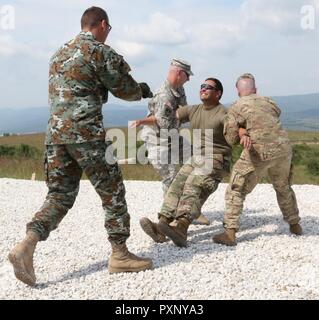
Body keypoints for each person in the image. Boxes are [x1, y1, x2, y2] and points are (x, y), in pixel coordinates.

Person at [8, 6, 153, 287]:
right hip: (86, 133)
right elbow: (125, 88)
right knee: (112, 191)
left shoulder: (58, 53)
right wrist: (144, 90)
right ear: (102, 24)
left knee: (59, 195)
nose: (108, 35)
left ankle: (27, 244)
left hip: (55, 135)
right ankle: (120, 254)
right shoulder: (98, 50)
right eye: (108, 30)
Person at [140, 78, 232, 247]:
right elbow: (167, 114)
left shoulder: (224, 113)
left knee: (193, 184)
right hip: (197, 157)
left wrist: (243, 132)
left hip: (216, 158)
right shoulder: (194, 110)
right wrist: (152, 109)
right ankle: (162, 225)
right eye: (202, 86)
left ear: (218, 93)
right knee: (177, 183)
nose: (203, 89)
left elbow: (236, 129)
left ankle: (181, 227)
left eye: (208, 87)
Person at [212, 73, 302, 246]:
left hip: (258, 151)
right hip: (283, 149)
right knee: (283, 187)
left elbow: (231, 138)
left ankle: (230, 233)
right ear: (255, 89)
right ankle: (295, 225)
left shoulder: (236, 106)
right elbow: (276, 113)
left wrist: (240, 130)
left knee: (236, 189)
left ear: (238, 91)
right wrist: (244, 128)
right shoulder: (269, 102)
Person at [131, 59, 210, 228]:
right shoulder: (164, 96)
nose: (189, 79)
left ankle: (192, 209)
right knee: (172, 178)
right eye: (187, 75)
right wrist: (142, 121)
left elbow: (183, 111)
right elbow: (163, 123)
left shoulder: (178, 89)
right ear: (179, 73)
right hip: (159, 142)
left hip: (172, 136)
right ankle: (170, 217)